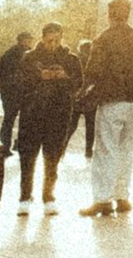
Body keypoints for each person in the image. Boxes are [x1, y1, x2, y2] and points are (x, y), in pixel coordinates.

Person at [80, 0, 133, 218]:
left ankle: (102, 199)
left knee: (105, 149)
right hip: (132, 102)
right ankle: (122, 197)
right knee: (125, 149)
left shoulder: (104, 39)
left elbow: (93, 71)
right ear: (128, 14)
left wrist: (85, 93)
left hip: (111, 100)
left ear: (110, 14)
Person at [14, 22, 82, 211]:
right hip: (32, 113)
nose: (53, 44)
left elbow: (78, 83)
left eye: (57, 40)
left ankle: (48, 195)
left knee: (53, 155)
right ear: (42, 38)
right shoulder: (29, 58)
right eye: (50, 40)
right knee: (28, 156)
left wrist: (64, 76)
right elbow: (19, 82)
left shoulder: (70, 59)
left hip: (59, 114)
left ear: (62, 39)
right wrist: (39, 75)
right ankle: (25, 197)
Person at [0, 30, 33, 153]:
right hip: (21, 91)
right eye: (28, 40)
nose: (30, 42)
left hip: (9, 91)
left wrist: (2, 91)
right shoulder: (27, 54)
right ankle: (18, 144)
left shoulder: (8, 53)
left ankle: (5, 146)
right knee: (24, 119)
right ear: (22, 40)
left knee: (8, 119)